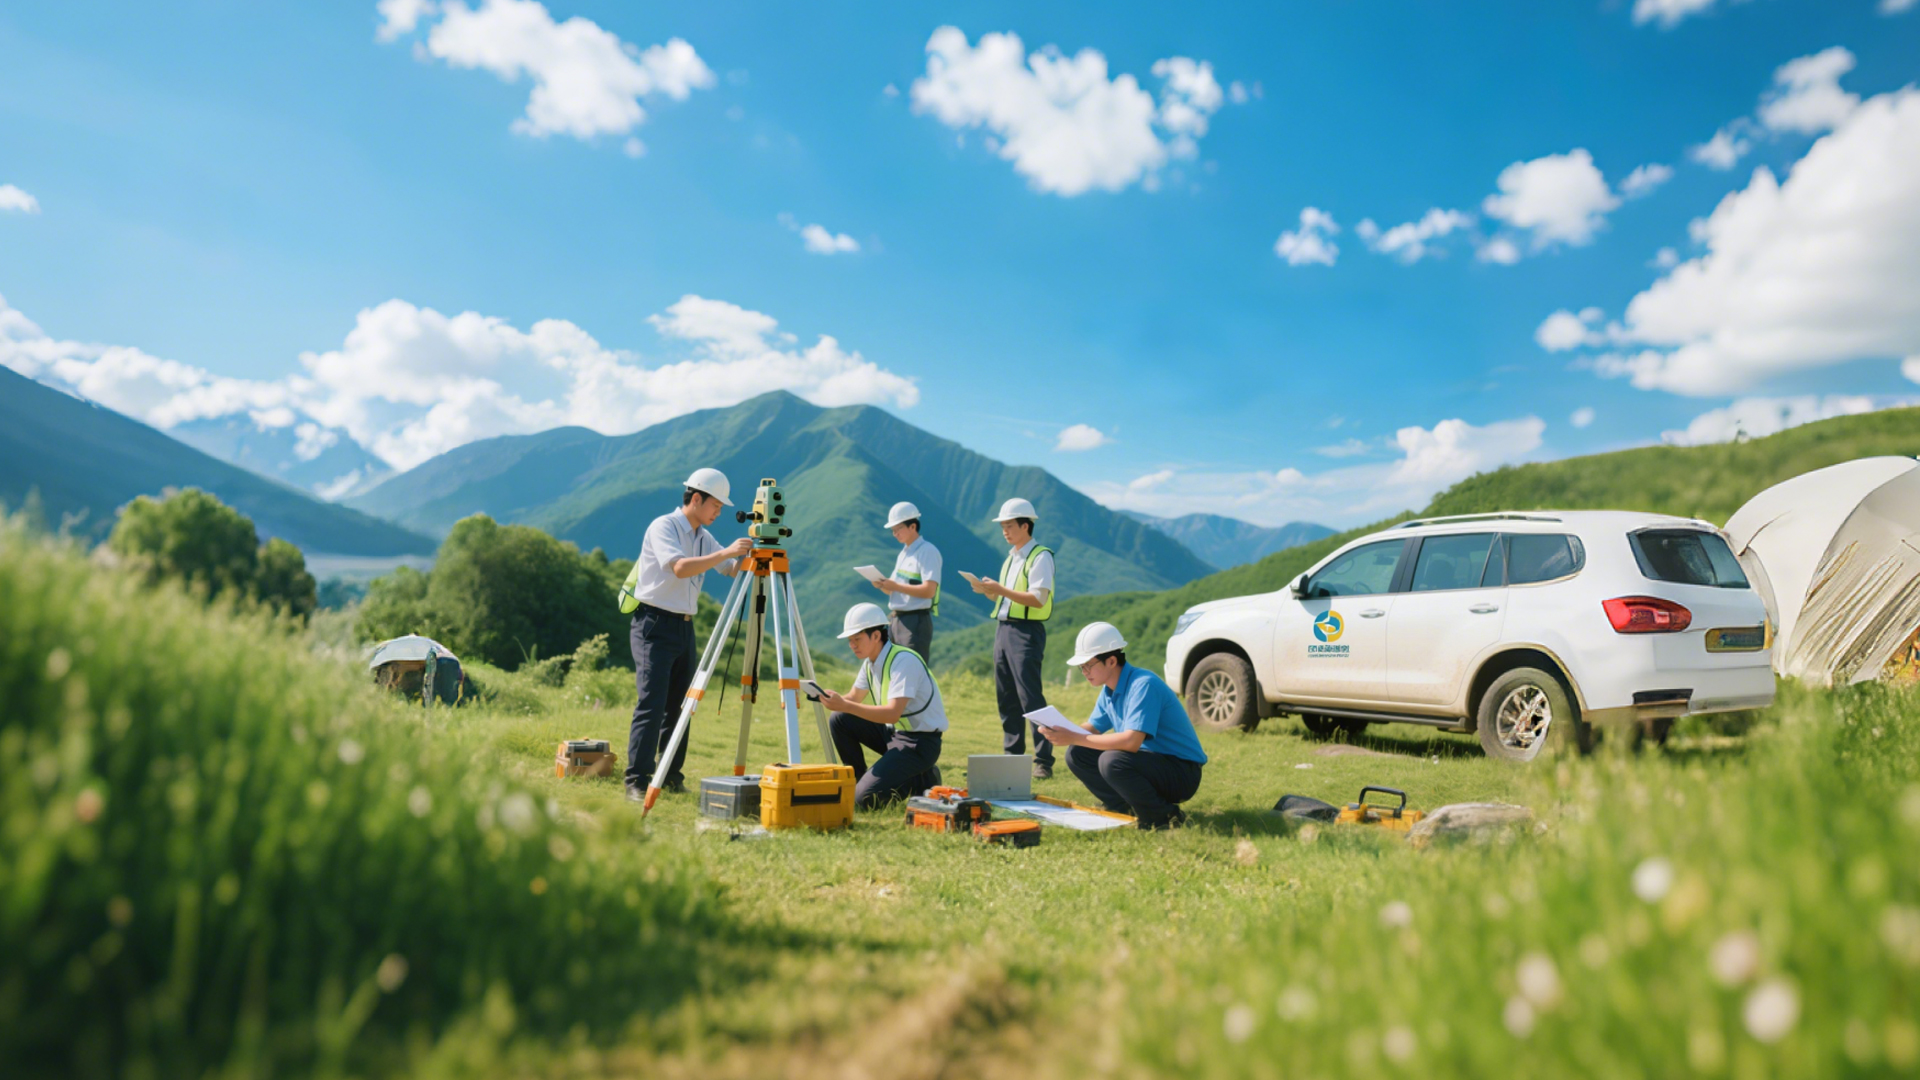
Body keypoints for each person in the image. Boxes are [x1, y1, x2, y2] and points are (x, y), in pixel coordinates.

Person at [618, 468, 751, 801]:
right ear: (696, 499)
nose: (718, 513)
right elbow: (679, 567)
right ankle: (636, 780)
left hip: (684, 626)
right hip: (653, 625)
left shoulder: (703, 536)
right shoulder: (664, 526)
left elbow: (730, 569)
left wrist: (753, 555)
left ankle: (671, 776)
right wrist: (726, 552)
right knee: (652, 703)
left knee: (681, 706)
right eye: (715, 506)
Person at [1041, 622, 1207, 830]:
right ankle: (1121, 807)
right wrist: (1059, 730)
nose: (1084, 672)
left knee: (1112, 760)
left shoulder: (1143, 684)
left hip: (1181, 772)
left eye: (1088, 665)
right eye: (1081, 667)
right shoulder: (1109, 690)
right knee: (1077, 753)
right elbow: (1092, 728)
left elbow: (1131, 742)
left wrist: (1073, 736)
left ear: (1111, 661)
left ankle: (1164, 816)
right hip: (1152, 763)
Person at [817, 603, 946, 808]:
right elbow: (853, 698)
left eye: (857, 639)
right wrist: (832, 699)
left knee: (863, 802)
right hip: (895, 734)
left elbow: (892, 714)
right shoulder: (870, 662)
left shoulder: (904, 661)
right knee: (840, 719)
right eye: (850, 640)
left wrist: (845, 705)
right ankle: (858, 781)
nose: (852, 645)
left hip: (919, 743)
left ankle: (920, 778)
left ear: (876, 636)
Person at [968, 497, 1057, 780]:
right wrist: (987, 591)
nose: (1004, 530)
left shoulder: (1040, 556)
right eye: (1002, 526)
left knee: (1030, 697)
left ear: (1025, 525)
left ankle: (1043, 760)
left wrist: (1000, 591)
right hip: (1004, 630)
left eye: (1009, 525)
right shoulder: (1011, 557)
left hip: (1026, 632)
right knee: (1006, 696)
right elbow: (1004, 596)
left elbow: (1038, 599)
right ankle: (1013, 758)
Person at [870, 500, 942, 663]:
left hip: (915, 620)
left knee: (911, 669)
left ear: (913, 526)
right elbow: (894, 590)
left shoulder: (927, 551)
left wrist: (894, 586)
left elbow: (929, 590)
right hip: (897, 619)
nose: (895, 533)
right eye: (893, 530)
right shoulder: (904, 553)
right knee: (895, 667)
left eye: (898, 529)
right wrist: (883, 586)